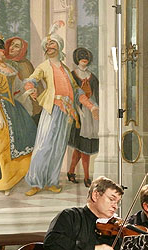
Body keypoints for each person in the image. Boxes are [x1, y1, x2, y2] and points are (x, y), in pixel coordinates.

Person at [23, 21, 99, 196]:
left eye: (52, 43)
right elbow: (31, 80)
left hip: (67, 113)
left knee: (58, 148)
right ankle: (35, 182)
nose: (49, 47)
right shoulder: (44, 66)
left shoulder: (65, 69)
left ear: (59, 46)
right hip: (52, 109)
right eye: (47, 45)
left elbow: (77, 90)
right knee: (44, 145)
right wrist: (31, 89)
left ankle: (51, 181)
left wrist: (91, 106)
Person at [0, 35, 37, 195]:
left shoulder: (10, 68)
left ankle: (18, 177)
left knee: (27, 137)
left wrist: (27, 93)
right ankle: (4, 182)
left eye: (2, 47)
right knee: (3, 145)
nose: (2, 50)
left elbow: (16, 91)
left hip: (14, 108)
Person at [66, 47, 99, 188]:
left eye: (86, 56)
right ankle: (86, 177)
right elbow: (71, 95)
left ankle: (71, 171)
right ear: (77, 58)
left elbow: (97, 96)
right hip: (77, 114)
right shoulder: (72, 76)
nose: (84, 58)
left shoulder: (93, 77)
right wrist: (78, 110)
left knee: (81, 148)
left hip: (91, 113)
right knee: (82, 146)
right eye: (81, 56)